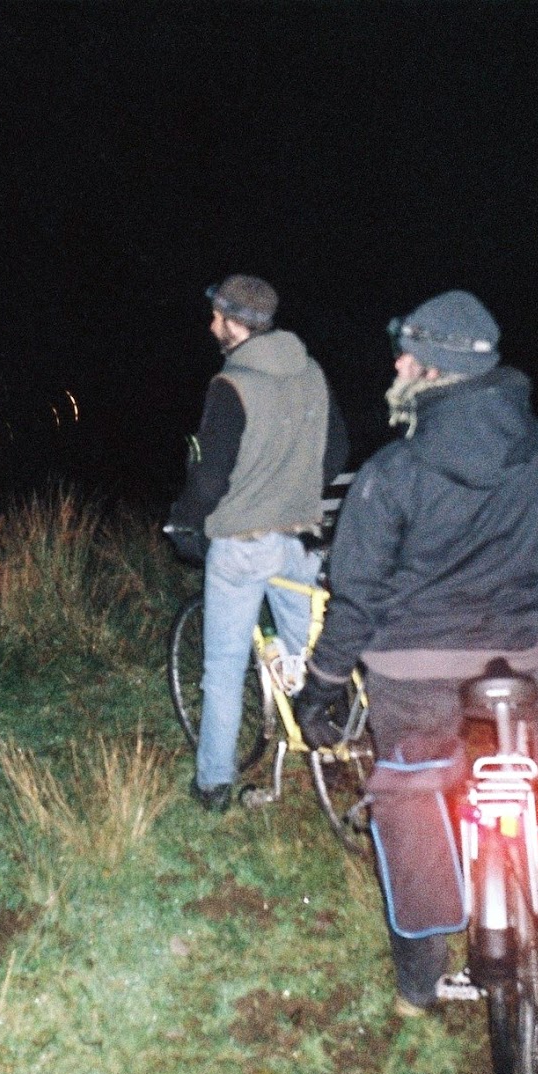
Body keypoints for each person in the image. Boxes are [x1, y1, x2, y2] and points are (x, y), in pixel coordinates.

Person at [293, 289, 538, 1016]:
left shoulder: (392, 472)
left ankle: (419, 984)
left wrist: (322, 684)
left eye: (406, 356)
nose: (397, 365)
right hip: (510, 656)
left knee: (411, 794)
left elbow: (355, 599)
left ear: (432, 369)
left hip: (409, 669)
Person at [166, 274, 349, 813]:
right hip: (300, 539)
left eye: (217, 317)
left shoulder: (232, 385)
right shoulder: (311, 371)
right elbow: (336, 448)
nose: (211, 326)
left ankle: (214, 783)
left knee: (224, 668)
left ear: (234, 322)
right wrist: (296, 491)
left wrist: (183, 523)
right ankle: (332, 758)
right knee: (310, 657)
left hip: (242, 545)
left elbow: (210, 479)